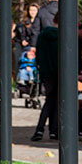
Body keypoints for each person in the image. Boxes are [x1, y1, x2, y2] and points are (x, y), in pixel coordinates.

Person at [33, 9, 60, 141]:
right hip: (59, 73)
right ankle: (52, 130)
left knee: (50, 100)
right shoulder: (63, 36)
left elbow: (38, 54)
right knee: (55, 101)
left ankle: (40, 130)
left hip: (46, 72)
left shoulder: (43, 35)